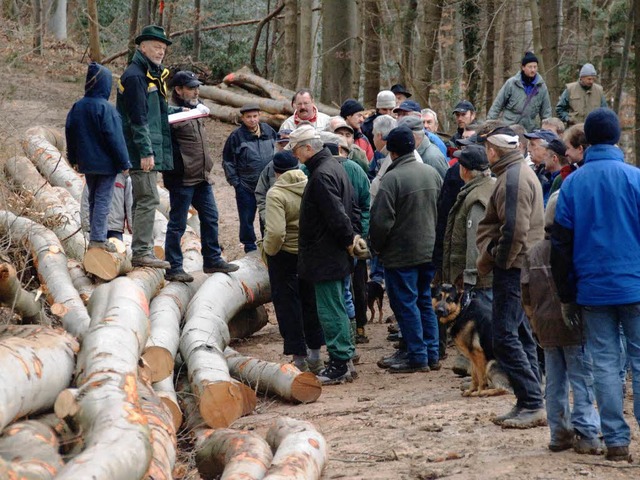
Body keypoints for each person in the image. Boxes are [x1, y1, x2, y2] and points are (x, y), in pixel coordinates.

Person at [551, 108, 640, 462]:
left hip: (592, 290)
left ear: (587, 140)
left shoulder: (573, 183)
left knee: (604, 364)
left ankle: (616, 440)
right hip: (634, 286)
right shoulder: (635, 179)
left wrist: (567, 294)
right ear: (617, 137)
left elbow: (561, 245)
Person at [521, 192, 603, 455]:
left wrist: (535, 321)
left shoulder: (532, 253)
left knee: (555, 381)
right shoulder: (575, 249)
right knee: (582, 381)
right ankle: (588, 433)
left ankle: (559, 433)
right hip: (574, 327)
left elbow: (526, 296)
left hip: (545, 328)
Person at [476, 126, 546, 429]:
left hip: (513, 267)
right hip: (519, 264)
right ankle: (530, 399)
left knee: (504, 337)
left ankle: (532, 401)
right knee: (519, 335)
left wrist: (499, 261)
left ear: (493, 151)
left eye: (486, 149)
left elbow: (515, 230)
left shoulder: (513, 178)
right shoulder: (514, 172)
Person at [370, 125, 442, 373]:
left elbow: (380, 222)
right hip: (429, 251)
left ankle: (417, 356)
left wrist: (376, 248)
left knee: (406, 304)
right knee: (424, 301)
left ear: (391, 150)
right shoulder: (431, 173)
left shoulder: (391, 179)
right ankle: (432, 353)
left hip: (401, 255)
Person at [291, 125, 359, 385]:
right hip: (333, 252)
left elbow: (336, 215)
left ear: (309, 148)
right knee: (338, 306)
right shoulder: (334, 167)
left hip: (325, 255)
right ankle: (345, 359)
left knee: (330, 310)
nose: (295, 156)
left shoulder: (321, 175)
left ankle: (340, 363)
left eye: (297, 150)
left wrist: (348, 240)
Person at [163, 70, 238, 282]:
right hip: (181, 178)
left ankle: (212, 259)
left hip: (202, 177)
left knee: (211, 217)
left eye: (197, 87)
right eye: (191, 87)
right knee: (178, 223)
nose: (196, 91)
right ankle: (174, 266)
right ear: (178, 90)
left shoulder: (196, 110)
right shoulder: (170, 114)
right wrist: (173, 171)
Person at [116, 25, 178, 268]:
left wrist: (181, 111)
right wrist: (146, 151)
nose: (160, 51)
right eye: (156, 46)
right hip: (139, 149)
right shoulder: (135, 76)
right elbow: (137, 119)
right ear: (142, 47)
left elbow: (155, 113)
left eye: (163, 48)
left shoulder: (149, 74)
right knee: (148, 198)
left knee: (143, 198)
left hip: (144, 147)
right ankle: (142, 252)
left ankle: (140, 249)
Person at [262, 150, 325, 373]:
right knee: (312, 302)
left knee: (289, 305)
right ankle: (316, 356)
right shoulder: (311, 184)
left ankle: (299, 358)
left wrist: (268, 251)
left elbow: (276, 232)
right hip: (310, 252)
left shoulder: (276, 193)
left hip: (285, 256)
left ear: (276, 172)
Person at [67, 62, 131, 252]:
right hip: (106, 165)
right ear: (104, 84)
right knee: (104, 199)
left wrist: (73, 158)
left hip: (87, 163)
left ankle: (96, 236)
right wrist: (124, 162)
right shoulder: (107, 109)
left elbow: (70, 133)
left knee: (94, 198)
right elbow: (115, 139)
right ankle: (98, 239)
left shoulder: (77, 107)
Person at [442, 145, 495, 298]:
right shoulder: (491, 186)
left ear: (464, 170)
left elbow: (475, 242)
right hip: (485, 278)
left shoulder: (476, 198)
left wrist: (470, 279)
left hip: (479, 283)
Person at [222, 104, 276, 253]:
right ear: (242, 118)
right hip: (246, 186)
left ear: (259, 115)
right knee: (246, 218)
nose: (252, 120)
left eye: (255, 116)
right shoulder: (236, 137)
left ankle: (268, 244)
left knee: (268, 216)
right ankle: (249, 246)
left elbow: (277, 151)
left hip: (268, 185)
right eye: (248, 117)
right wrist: (236, 183)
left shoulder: (269, 131)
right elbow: (228, 161)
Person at [487, 52, 552, 132]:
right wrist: (489, 125)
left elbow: (546, 112)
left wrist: (547, 131)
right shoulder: (511, 83)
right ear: (523, 67)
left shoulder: (541, 87)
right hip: (509, 128)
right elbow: (497, 105)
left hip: (529, 130)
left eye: (535, 67)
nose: (533, 70)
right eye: (530, 67)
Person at [255, 129, 293, 226]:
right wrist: (266, 218)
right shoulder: (270, 167)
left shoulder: (302, 165)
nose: (285, 148)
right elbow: (260, 193)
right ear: (276, 145)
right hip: (272, 221)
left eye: (288, 144)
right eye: (282, 145)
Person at [80, 172, 132, 242]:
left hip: (115, 228)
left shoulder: (124, 178)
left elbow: (129, 205)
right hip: (96, 227)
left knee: (117, 250)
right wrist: (86, 225)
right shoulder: (95, 175)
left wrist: (132, 227)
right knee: (96, 251)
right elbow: (86, 201)